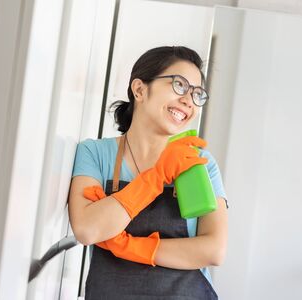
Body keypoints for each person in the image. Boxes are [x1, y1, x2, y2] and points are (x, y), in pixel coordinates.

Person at [68, 46, 228, 299]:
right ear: (140, 89)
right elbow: (88, 229)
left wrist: (130, 246)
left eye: (197, 94)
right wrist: (156, 178)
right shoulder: (95, 154)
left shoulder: (198, 161)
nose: (189, 100)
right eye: (179, 85)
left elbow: (213, 250)